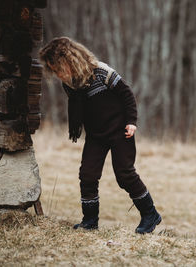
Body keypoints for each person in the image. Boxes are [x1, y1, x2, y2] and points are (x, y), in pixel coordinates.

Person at [38, 37, 161, 234]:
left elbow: (126, 94)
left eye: (59, 69)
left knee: (125, 174)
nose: (59, 75)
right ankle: (90, 221)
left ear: (71, 60)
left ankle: (150, 214)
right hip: (96, 135)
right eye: (54, 71)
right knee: (87, 174)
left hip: (121, 131)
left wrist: (131, 122)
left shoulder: (101, 71)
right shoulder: (70, 84)